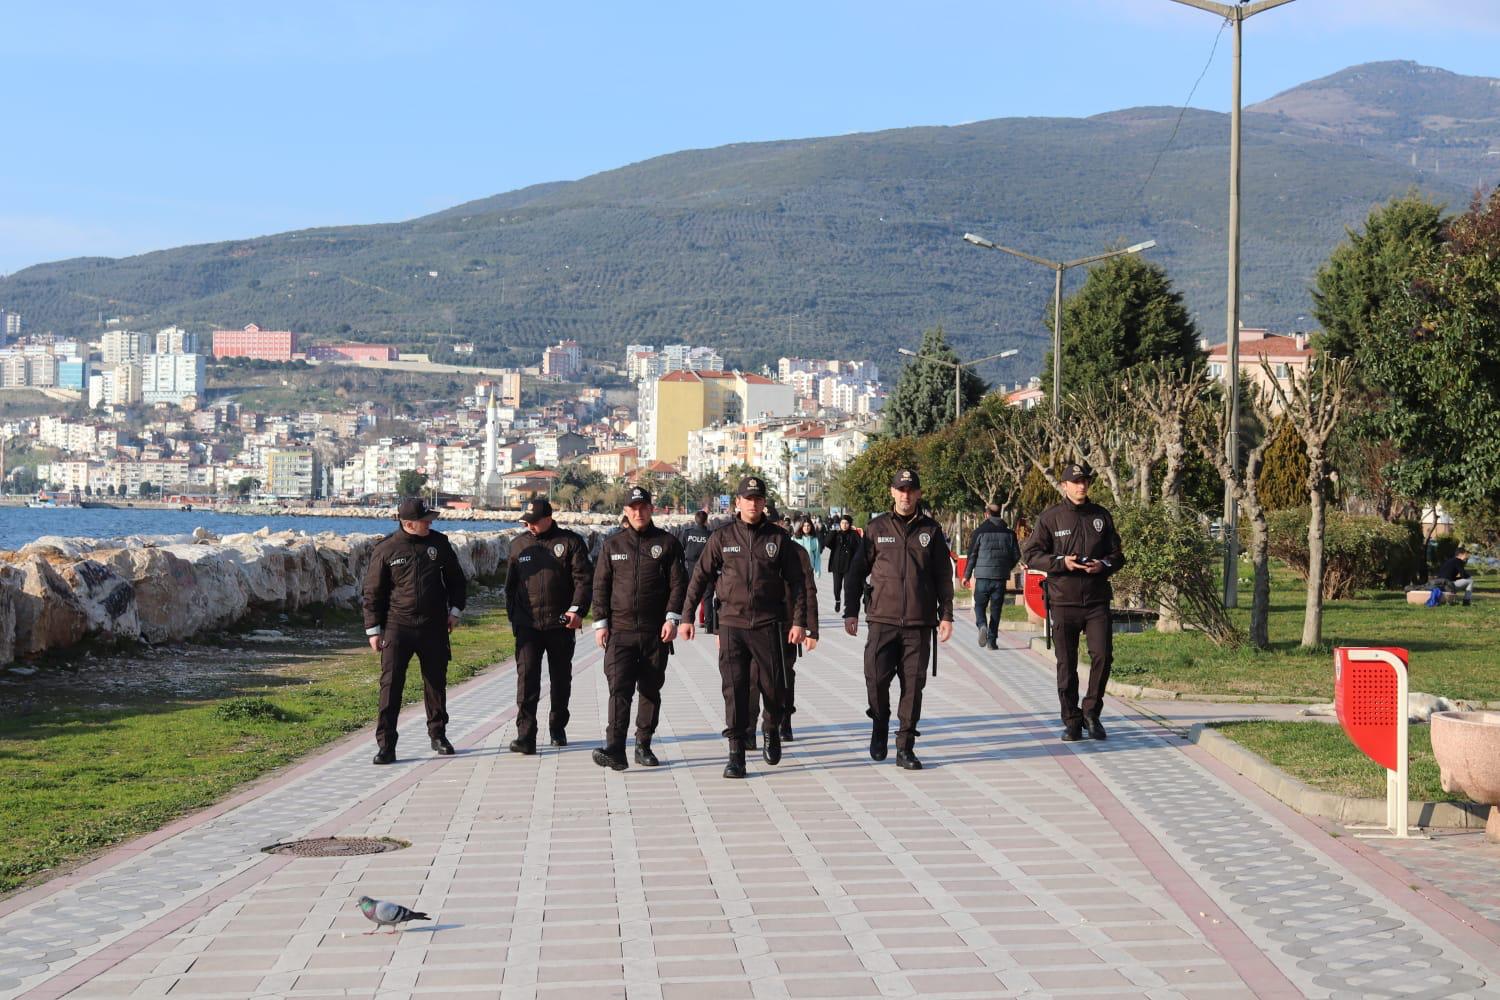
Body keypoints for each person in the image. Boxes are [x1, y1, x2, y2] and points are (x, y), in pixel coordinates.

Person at [679, 475, 815, 779]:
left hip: (769, 624)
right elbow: (699, 577)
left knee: (774, 687)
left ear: (764, 503)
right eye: (747, 499)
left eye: (758, 499)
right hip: (732, 624)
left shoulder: (777, 540)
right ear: (737, 502)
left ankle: (771, 729)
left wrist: (799, 622)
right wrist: (687, 617)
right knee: (734, 690)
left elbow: (798, 583)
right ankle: (736, 753)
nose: (753, 504)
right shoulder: (722, 538)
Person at [842, 469, 954, 771]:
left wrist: (947, 614)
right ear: (892, 492)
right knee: (876, 679)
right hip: (882, 620)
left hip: (919, 623)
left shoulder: (931, 530)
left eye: (911, 490)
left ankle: (905, 746)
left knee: (913, 686)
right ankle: (880, 722)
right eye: (901, 489)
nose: (906, 495)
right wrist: (851, 611)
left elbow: (944, 575)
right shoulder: (876, 528)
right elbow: (855, 573)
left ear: (918, 494)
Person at [1022, 463, 1126, 743]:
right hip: (1063, 601)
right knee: (1066, 664)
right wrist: (1060, 562)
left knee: (1103, 655)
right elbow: (1031, 554)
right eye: (1076, 482)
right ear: (1064, 485)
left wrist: (1103, 565)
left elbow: (1118, 555)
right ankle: (1071, 719)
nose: (1082, 486)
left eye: (1085, 482)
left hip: (1096, 600)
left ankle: (1092, 712)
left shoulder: (1101, 516)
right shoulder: (1051, 518)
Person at [362, 497, 467, 765]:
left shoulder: (439, 543)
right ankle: (386, 744)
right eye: (425, 520)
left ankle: (438, 735)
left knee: (435, 682)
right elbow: (373, 591)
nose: (430, 523)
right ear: (408, 523)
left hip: (434, 625)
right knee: (390, 685)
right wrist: (373, 630)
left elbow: (456, 579)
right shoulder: (386, 548)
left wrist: (455, 611)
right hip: (398, 626)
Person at [590, 486, 687, 770]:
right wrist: (600, 624)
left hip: (654, 631)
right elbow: (600, 586)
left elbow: (678, 584)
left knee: (649, 689)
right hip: (619, 632)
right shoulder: (612, 545)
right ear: (625, 511)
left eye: (643, 507)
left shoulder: (667, 543)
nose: (638, 512)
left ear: (651, 509)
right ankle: (615, 748)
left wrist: (672, 618)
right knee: (618, 688)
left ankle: (643, 745)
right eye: (633, 508)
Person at [504, 497, 593, 754]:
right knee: (527, 679)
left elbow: (583, 581)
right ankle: (526, 735)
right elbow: (510, 587)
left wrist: (576, 611)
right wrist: (515, 618)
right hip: (527, 626)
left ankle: (557, 727)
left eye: (534, 522)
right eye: (526, 522)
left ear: (547, 518)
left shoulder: (570, 542)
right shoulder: (518, 545)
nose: (529, 526)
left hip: (560, 625)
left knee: (561, 679)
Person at [963, 503, 1021, 650]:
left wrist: (966, 575)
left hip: (982, 577)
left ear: (986, 514)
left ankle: (982, 625)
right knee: (996, 609)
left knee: (979, 606)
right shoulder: (1010, 534)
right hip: (1000, 578)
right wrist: (1006, 567)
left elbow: (972, 556)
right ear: (999, 514)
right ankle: (992, 641)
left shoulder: (979, 532)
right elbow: (1016, 556)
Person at [679, 509, 714, 630]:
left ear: (695, 520)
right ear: (706, 521)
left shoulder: (687, 533)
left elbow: (679, 550)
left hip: (690, 568)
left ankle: (685, 620)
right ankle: (709, 625)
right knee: (708, 596)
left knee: (688, 595)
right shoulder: (710, 535)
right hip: (707, 568)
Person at [826, 514, 859, 616]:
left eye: (847, 523)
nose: (844, 525)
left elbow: (860, 546)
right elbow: (826, 543)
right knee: (837, 587)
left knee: (848, 587)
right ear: (840, 524)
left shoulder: (853, 534)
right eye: (842, 523)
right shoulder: (836, 534)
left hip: (849, 566)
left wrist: (858, 532)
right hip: (837, 565)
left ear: (850, 524)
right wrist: (832, 531)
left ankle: (847, 607)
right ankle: (837, 600)